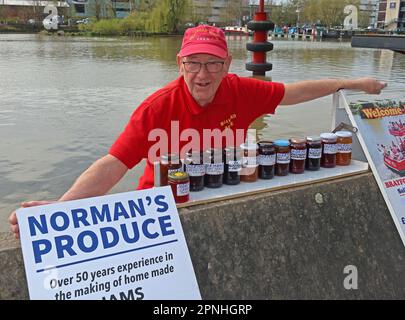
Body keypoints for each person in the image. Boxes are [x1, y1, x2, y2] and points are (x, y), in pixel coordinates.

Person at [9, 25, 387, 239]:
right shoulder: (158, 108)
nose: (202, 75)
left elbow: (295, 92)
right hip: (160, 209)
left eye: (212, 64)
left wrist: (352, 82)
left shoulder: (242, 91)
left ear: (226, 64)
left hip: (218, 196)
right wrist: (61, 208)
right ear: (180, 63)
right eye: (193, 63)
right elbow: (114, 162)